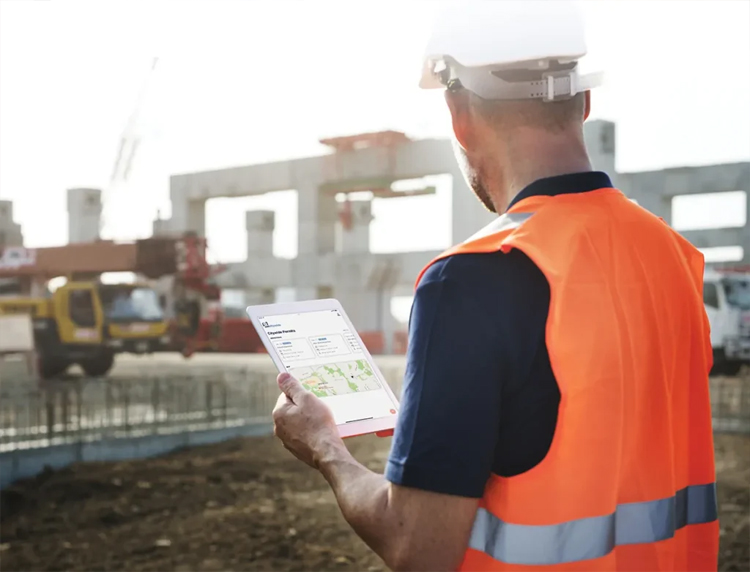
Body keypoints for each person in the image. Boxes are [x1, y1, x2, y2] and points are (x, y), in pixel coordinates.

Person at [272, 2, 719, 570]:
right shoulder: (674, 256)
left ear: (457, 112)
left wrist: (325, 447)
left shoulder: (473, 279)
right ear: (583, 101)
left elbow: (417, 546)